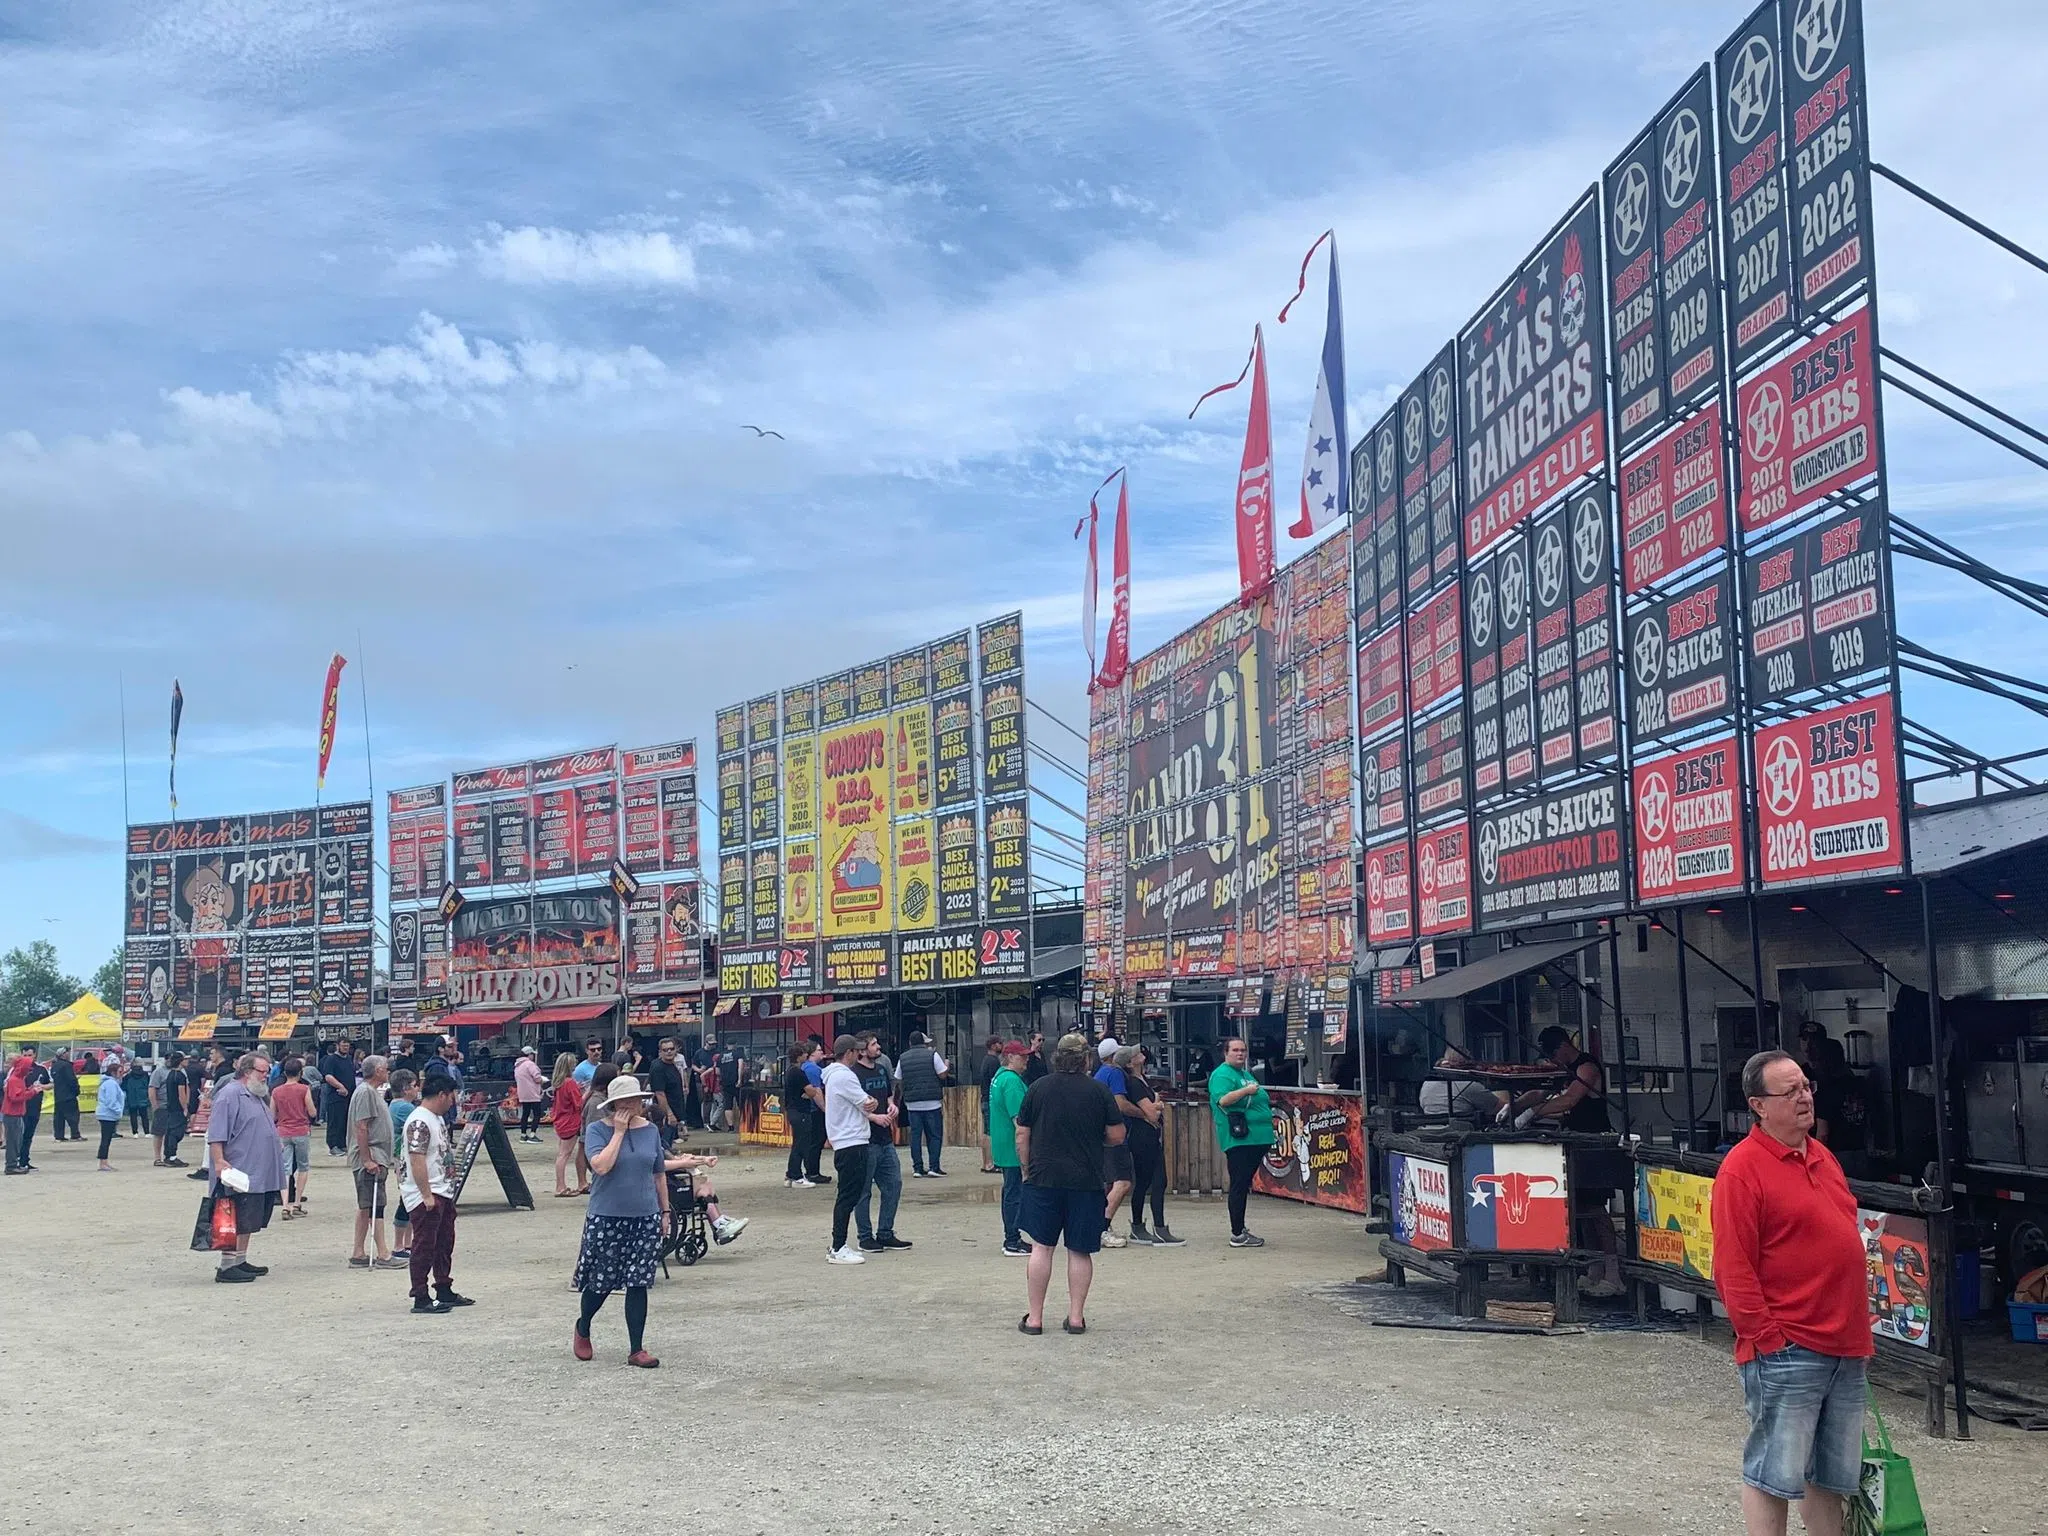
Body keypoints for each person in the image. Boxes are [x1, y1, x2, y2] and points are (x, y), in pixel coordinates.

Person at [1712, 1050, 1872, 1536]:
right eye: (1791, 1091)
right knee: (1773, 1471)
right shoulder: (1742, 1169)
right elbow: (1732, 1266)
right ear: (1758, 1105)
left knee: (1832, 1474)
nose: (1805, 1098)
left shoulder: (1822, 1156)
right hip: (1789, 1344)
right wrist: (1765, 1337)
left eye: (1806, 1087)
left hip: (1844, 1343)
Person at [1015, 1032, 1124, 1334]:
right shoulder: (1099, 1091)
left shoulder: (1037, 1088)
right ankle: (1076, 1318)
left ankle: (1035, 1319)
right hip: (1086, 1181)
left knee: (1042, 1247)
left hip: (1043, 1179)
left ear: (1057, 1057)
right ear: (1086, 1059)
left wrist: (1026, 1171)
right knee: (1079, 1250)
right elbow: (1117, 1136)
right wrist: (1093, 1139)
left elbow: (1022, 1135)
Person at [1505, 1026, 1622, 1295]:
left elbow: (1569, 1100)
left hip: (1596, 1144)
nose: (1553, 1061)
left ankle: (1614, 1274)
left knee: (1596, 1208)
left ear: (1561, 1047)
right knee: (1580, 1207)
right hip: (1575, 1144)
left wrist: (1533, 1113)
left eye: (1553, 1055)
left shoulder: (1587, 1067)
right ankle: (1594, 1269)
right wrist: (1516, 1107)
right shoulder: (1565, 1072)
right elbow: (1540, 1093)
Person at [574, 1074, 669, 1366]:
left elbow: (658, 1172)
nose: (633, 1106)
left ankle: (636, 1348)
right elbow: (600, 1167)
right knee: (601, 1282)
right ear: (613, 1105)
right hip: (607, 1217)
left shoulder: (650, 1130)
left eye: (636, 1100)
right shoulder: (596, 1131)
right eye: (625, 1102)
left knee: (638, 1282)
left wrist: (664, 1211)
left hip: (645, 1216)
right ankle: (583, 1326)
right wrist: (618, 1132)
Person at [206, 1053, 285, 1284]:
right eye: (262, 1072)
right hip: (238, 1170)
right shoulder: (229, 1096)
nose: (266, 1076)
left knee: (249, 1218)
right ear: (247, 1071)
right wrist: (219, 1161)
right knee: (235, 1217)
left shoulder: (257, 1095)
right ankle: (227, 1265)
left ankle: (240, 1259)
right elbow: (217, 1134)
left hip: (258, 1172)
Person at [399, 1073, 471, 1314]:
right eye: (451, 1097)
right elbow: (416, 1158)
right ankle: (420, 1294)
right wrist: (426, 1194)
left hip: (441, 1190)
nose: (453, 1102)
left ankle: (443, 1287)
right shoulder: (420, 1120)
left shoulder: (434, 1119)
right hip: (427, 1193)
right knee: (424, 1245)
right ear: (442, 1095)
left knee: (443, 1242)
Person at [823, 1034, 885, 1263]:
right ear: (849, 1053)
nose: (858, 1054)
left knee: (849, 1195)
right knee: (848, 1196)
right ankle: (838, 1246)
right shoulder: (844, 1075)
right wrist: (871, 1102)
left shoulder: (831, 1075)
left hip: (846, 1139)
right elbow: (867, 1102)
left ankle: (838, 1245)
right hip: (852, 1140)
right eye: (856, 1051)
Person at [1208, 1037, 1274, 1248]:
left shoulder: (1245, 1074)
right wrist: (1246, 1091)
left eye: (1243, 1050)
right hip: (1240, 1138)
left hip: (1257, 1138)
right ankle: (1237, 1232)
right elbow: (1223, 1100)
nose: (1240, 1054)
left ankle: (1240, 1228)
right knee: (1239, 1183)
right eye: (1235, 1050)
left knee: (1244, 1183)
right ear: (1225, 1053)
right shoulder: (1222, 1075)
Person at [852, 1033, 909, 1254]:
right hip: (866, 1140)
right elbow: (855, 1106)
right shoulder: (853, 1074)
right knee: (863, 1191)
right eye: (873, 1044)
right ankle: (864, 1237)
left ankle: (885, 1232)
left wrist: (892, 1106)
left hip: (885, 1138)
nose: (878, 1047)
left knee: (893, 1185)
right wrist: (874, 1117)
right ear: (862, 1050)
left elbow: (888, 1096)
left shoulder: (882, 1069)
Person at [1120, 1047, 1181, 1245]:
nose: (1140, 1054)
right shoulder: (1135, 1084)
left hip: (1149, 1134)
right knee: (1156, 1180)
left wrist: (1155, 1104)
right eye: (1136, 1054)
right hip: (1143, 1135)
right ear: (1130, 1063)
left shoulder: (1142, 1080)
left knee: (1146, 1181)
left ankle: (1139, 1225)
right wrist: (1157, 1104)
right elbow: (1152, 1113)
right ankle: (1158, 1227)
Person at [348, 1054, 400, 1270]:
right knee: (376, 1206)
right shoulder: (366, 1092)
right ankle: (383, 1253)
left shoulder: (370, 1092)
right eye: (385, 1068)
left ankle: (358, 1252)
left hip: (376, 1155)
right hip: (371, 1157)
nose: (388, 1071)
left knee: (366, 1205)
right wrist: (367, 1158)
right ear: (377, 1070)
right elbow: (362, 1126)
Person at [1091, 1047, 1138, 1248]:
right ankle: (1101, 1226)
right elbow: (1121, 1103)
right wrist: (1145, 1113)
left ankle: (1100, 1226)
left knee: (1109, 1183)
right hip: (1115, 1136)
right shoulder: (1115, 1073)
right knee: (1123, 1182)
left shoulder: (1100, 1073)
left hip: (1100, 1135)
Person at [988, 1040, 1030, 1256]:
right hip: (1013, 1146)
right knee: (1015, 1193)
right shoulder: (1012, 1082)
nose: (1027, 1059)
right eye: (1022, 1056)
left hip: (1003, 1144)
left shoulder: (999, 1077)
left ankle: (1012, 1237)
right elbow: (1020, 1121)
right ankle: (1012, 1240)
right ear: (1011, 1057)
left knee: (1010, 1191)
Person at [662, 1148, 748, 1245]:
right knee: (702, 1186)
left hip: (670, 1179)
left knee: (706, 1183)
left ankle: (719, 1221)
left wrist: (703, 1160)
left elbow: (674, 1158)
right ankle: (718, 1223)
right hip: (664, 1184)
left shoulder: (658, 1141)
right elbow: (661, 1164)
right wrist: (683, 1163)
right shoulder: (652, 1143)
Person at [896, 1031, 950, 1177]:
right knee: (934, 1135)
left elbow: (898, 1079)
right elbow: (942, 1075)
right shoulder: (932, 1055)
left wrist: (906, 1094)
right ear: (923, 1042)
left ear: (910, 1043)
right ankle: (934, 1167)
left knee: (915, 1137)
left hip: (912, 1104)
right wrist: (947, 1065)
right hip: (932, 1102)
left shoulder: (903, 1058)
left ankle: (917, 1168)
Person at [270, 1057, 316, 1216]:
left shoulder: (276, 1091)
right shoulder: (304, 1089)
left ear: (284, 1073)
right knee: (303, 1166)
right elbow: (312, 1112)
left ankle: (285, 1204)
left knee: (285, 1168)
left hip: (282, 1131)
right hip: (301, 1130)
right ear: (300, 1073)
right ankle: (296, 1203)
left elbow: (272, 1114)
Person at [1419, 1043, 1508, 1123]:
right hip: (1461, 1134)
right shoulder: (1469, 1086)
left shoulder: (1426, 1084)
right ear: (1466, 1064)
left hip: (1430, 1131)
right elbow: (1503, 1110)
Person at [387, 1069, 421, 1259]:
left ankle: (407, 1243)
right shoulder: (405, 1108)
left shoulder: (396, 1106)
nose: (417, 1089)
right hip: (405, 1159)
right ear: (407, 1088)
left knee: (409, 1201)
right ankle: (399, 1245)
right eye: (415, 1085)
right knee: (406, 1201)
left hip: (400, 1158)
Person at [549, 1051, 588, 1197]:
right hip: (570, 1122)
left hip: (561, 1121)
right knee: (564, 1155)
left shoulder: (559, 1083)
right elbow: (579, 1104)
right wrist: (587, 1092)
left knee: (562, 1154)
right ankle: (560, 1186)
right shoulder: (570, 1083)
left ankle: (561, 1185)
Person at [318, 1039, 357, 1157]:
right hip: (336, 1095)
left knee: (344, 1121)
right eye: (343, 1045)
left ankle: (341, 1144)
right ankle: (333, 1146)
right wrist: (341, 1087)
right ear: (337, 1046)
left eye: (347, 1045)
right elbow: (328, 1076)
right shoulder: (331, 1059)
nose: (345, 1047)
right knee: (334, 1121)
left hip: (348, 1097)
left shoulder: (349, 1059)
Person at [153, 1050, 192, 1168]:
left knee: (170, 1131)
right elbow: (181, 1094)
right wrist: (185, 1108)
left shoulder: (170, 1074)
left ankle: (168, 1155)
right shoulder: (179, 1075)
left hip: (170, 1106)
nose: (187, 1061)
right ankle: (172, 1157)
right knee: (176, 1132)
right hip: (177, 1108)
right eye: (185, 1059)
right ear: (180, 1061)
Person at [649, 1038, 690, 1149]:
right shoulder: (658, 1068)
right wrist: (669, 1114)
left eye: (671, 1049)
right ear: (660, 1051)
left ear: (676, 1050)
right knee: (664, 1146)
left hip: (675, 1112)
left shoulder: (671, 1065)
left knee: (669, 1145)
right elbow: (659, 1093)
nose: (669, 1052)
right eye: (665, 1050)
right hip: (665, 1116)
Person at [2, 1051, 36, 1174]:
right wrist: (32, 1092)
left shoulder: (18, 1079)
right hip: (12, 1115)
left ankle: (13, 1164)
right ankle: (11, 1166)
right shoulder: (15, 1079)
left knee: (17, 1141)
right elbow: (15, 1097)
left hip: (16, 1114)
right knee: (13, 1142)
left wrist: (29, 1090)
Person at [977, 1037, 1005, 1173]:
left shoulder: (986, 1060)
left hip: (984, 1099)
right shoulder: (993, 1062)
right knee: (990, 1132)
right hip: (989, 1100)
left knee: (986, 1131)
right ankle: (989, 1164)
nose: (1002, 1046)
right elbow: (996, 1083)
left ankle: (986, 1163)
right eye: (1000, 1043)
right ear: (994, 1046)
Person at [95, 1059, 127, 1170]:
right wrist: (118, 1111)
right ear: (113, 1072)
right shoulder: (111, 1084)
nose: (121, 1074)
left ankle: (104, 1161)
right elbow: (111, 1101)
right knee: (106, 1139)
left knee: (106, 1139)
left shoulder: (111, 1083)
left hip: (107, 1114)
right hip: (107, 1115)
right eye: (120, 1072)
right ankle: (103, 1162)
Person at [512, 1046, 548, 1143]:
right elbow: (537, 1078)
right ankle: (532, 1134)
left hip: (523, 1094)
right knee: (536, 1114)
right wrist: (542, 1081)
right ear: (529, 1055)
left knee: (525, 1114)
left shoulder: (517, 1065)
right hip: (533, 1093)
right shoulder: (530, 1064)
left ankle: (523, 1135)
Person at [49, 1051, 80, 1141]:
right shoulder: (66, 1066)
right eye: (67, 1052)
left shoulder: (54, 1066)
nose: (69, 1054)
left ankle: (59, 1135)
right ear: (63, 1054)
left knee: (59, 1117)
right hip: (68, 1095)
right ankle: (75, 1134)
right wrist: (76, 1090)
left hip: (58, 1095)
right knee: (73, 1116)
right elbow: (71, 1080)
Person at [123, 1052, 152, 1137]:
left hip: (132, 1098)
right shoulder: (145, 1075)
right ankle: (147, 1132)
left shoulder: (129, 1076)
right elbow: (149, 1085)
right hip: (143, 1097)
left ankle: (135, 1133)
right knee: (144, 1116)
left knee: (133, 1116)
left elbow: (124, 1086)